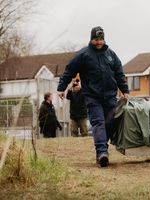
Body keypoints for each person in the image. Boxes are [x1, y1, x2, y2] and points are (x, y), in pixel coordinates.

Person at [57, 26, 129, 167]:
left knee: (110, 123)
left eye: (101, 39)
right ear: (91, 39)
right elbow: (69, 70)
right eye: (96, 39)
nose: (99, 42)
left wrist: (125, 90)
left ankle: (103, 149)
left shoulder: (111, 54)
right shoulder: (83, 55)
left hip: (110, 96)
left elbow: (119, 73)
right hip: (92, 96)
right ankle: (102, 153)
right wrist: (61, 88)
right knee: (98, 122)